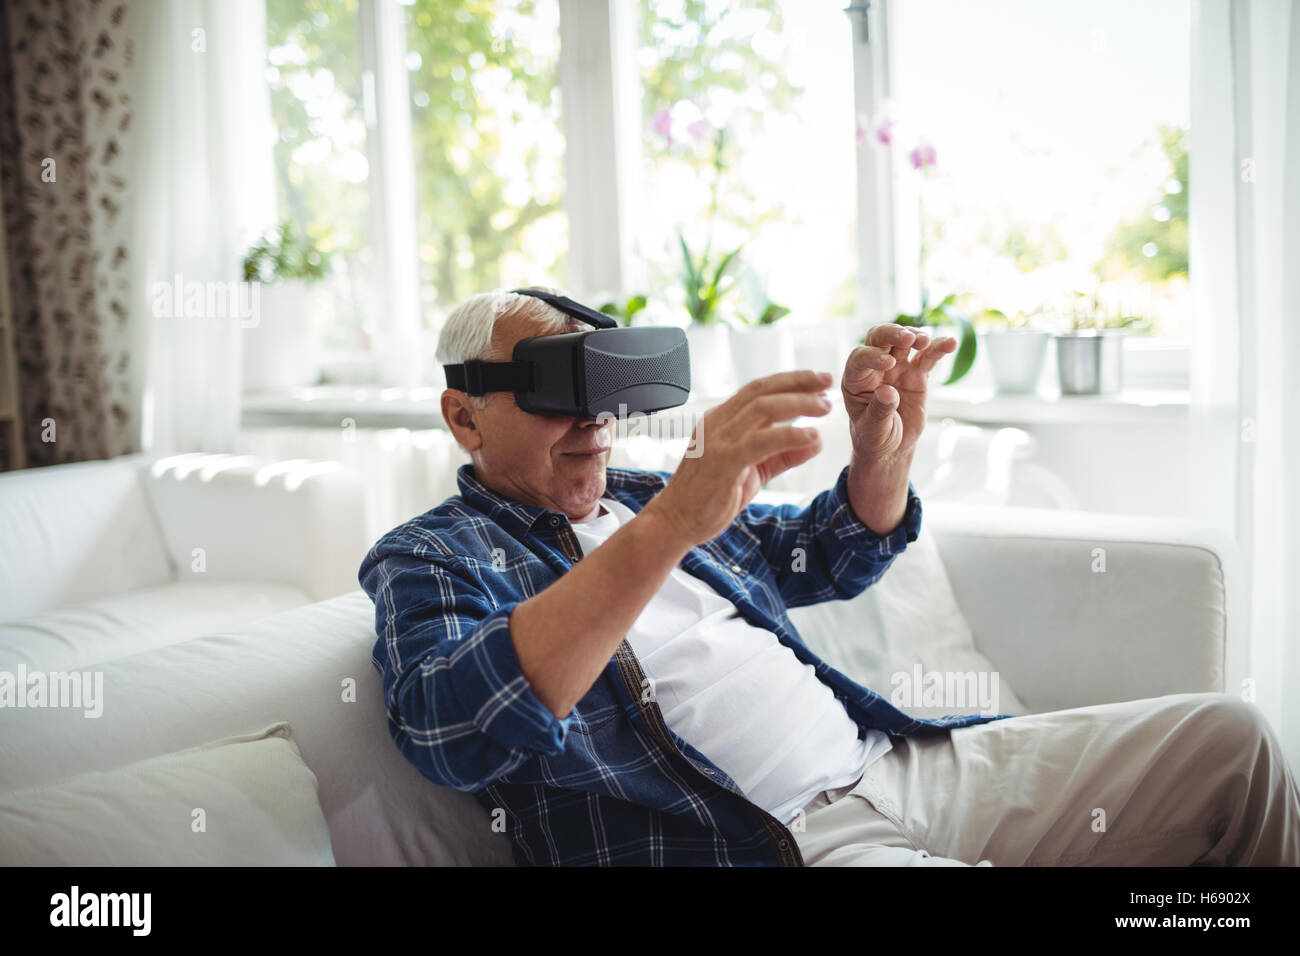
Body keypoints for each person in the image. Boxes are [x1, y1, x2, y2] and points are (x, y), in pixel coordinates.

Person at [359, 288, 1300, 866]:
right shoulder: (433, 556)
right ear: (465, 416)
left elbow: (829, 550)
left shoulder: (642, 495)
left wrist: (880, 454)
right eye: (558, 394)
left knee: (1232, 743)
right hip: (778, 844)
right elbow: (455, 726)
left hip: (903, 768)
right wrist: (675, 523)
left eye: (604, 395)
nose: (597, 423)